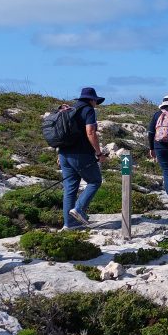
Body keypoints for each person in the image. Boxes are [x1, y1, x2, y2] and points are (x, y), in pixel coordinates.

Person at [58, 87, 107, 229]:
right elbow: (90, 132)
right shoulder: (88, 110)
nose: (96, 104)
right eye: (96, 101)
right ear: (91, 100)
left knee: (70, 188)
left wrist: (59, 154)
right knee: (95, 181)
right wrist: (98, 153)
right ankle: (79, 209)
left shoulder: (69, 110)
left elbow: (63, 134)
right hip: (81, 154)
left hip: (64, 154)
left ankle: (69, 224)